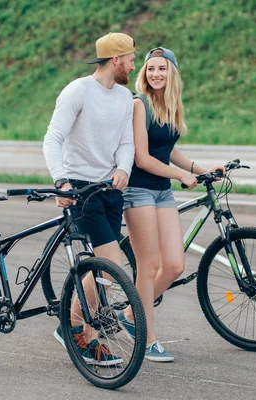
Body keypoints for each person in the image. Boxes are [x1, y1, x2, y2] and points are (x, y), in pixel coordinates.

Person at [118, 47, 225, 362]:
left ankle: (129, 313)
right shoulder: (140, 104)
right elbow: (143, 158)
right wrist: (181, 175)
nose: (155, 74)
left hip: (162, 191)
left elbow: (168, 150)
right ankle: (147, 338)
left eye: (162, 69)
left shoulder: (171, 105)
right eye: (151, 69)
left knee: (175, 265)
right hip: (137, 190)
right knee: (149, 266)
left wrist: (201, 170)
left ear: (172, 73)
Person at [42, 32, 136, 366]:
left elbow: (127, 141)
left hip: (110, 189)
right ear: (116, 60)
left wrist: (123, 167)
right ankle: (75, 329)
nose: (133, 64)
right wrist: (61, 182)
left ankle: (77, 328)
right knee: (110, 267)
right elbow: (53, 138)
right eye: (130, 59)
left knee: (103, 272)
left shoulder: (125, 97)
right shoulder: (78, 91)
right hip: (81, 188)